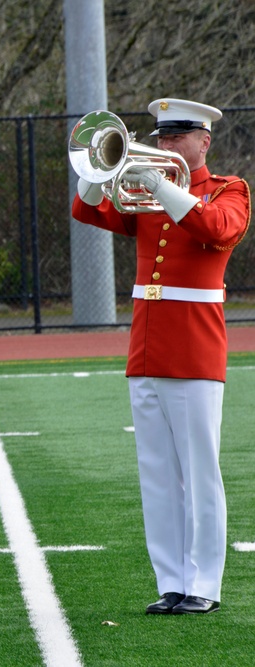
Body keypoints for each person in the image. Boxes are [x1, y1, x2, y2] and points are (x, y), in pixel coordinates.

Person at [72, 98, 250, 615]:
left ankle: (205, 586)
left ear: (203, 142)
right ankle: (171, 581)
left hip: (194, 348)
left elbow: (218, 230)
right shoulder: (146, 195)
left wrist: (162, 185)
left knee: (200, 472)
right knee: (156, 474)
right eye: (162, 136)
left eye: (177, 137)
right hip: (145, 347)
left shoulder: (227, 189)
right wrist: (94, 167)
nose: (166, 145)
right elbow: (88, 208)